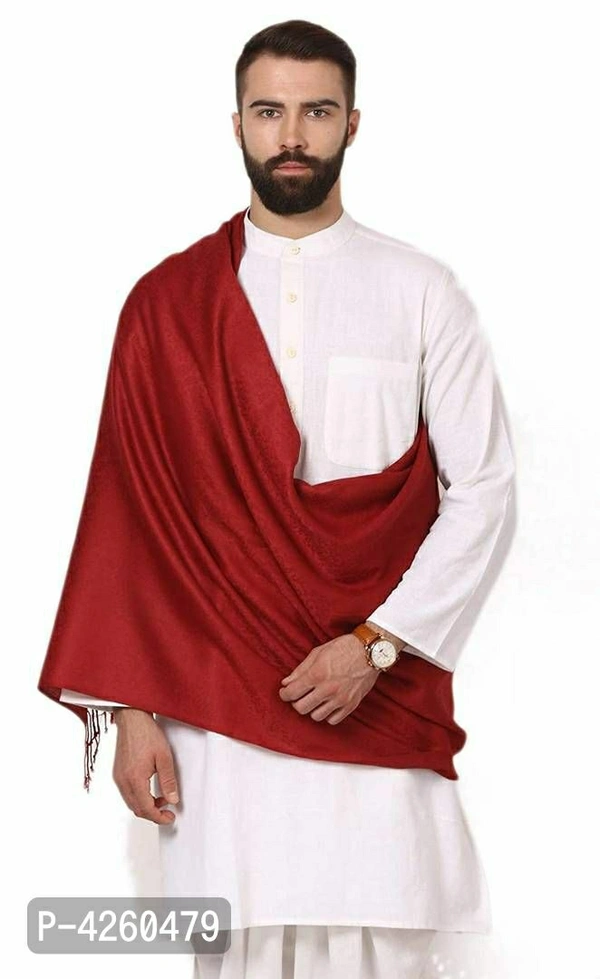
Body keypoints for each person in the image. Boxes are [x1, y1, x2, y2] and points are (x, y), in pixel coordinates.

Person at [49, 18, 515, 979]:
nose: (292, 135)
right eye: (269, 112)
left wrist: (375, 645)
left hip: (378, 697)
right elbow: (130, 517)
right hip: (215, 718)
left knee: (386, 950)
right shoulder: (165, 303)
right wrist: (130, 710)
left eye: (317, 112)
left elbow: (484, 491)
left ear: (354, 124)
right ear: (237, 125)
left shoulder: (422, 291)